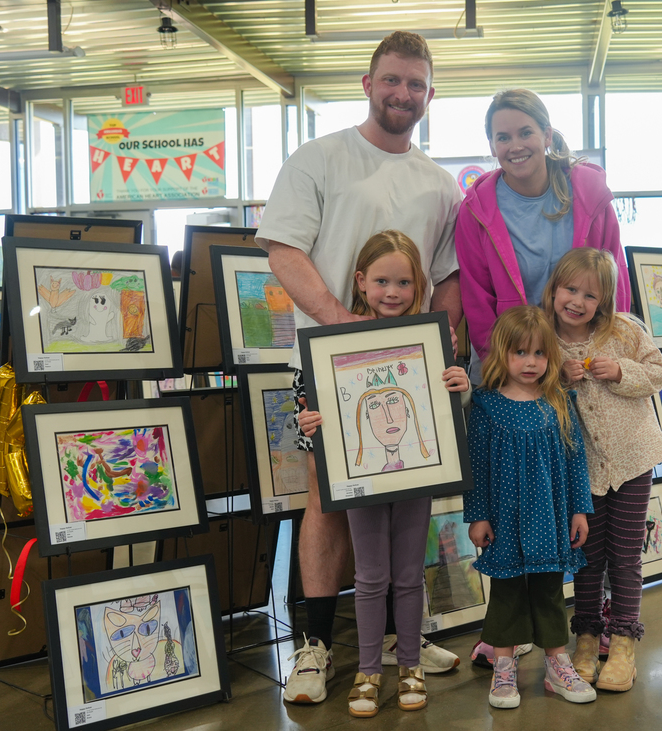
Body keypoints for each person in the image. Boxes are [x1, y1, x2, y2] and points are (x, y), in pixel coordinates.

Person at [254, 31, 463, 704]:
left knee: (410, 498)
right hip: (328, 363)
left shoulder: (438, 183)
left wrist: (443, 347)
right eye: (393, 80)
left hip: (411, 370)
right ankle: (315, 645)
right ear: (369, 83)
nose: (403, 93)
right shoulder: (319, 158)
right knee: (327, 500)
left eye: (416, 84)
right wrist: (341, 326)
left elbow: (449, 276)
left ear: (430, 95)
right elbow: (285, 250)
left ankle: (404, 636)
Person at [298, 231, 469, 717]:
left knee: (409, 576)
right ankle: (368, 670)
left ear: (419, 286)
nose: (392, 292)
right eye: (381, 281)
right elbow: (309, 408)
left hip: (416, 475)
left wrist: (460, 382)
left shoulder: (433, 341)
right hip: (362, 478)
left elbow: (446, 403)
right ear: (361, 282)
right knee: (371, 577)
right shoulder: (334, 343)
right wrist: (308, 422)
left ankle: (410, 666)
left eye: (403, 282)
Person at [541, 248, 662, 692]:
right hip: (582, 470)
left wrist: (622, 371)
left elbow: (658, 372)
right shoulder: (543, 338)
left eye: (589, 295)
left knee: (625, 555)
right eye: (570, 289)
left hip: (633, 459)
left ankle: (623, 643)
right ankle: (588, 636)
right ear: (554, 288)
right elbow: (528, 386)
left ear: (605, 301)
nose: (577, 301)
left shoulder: (624, 331)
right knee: (588, 557)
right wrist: (557, 378)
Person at [464, 305, 596, 708]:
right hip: (503, 519)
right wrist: (478, 515)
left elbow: (576, 460)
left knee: (549, 589)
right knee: (505, 591)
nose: (530, 362)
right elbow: (477, 465)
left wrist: (579, 510)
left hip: (550, 516)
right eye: (520, 353)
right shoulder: (485, 406)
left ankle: (557, 663)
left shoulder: (558, 400)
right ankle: (504, 667)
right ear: (501, 354)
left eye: (539, 354)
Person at [455, 88, 631, 388]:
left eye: (526, 133)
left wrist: (614, 353)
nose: (515, 146)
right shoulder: (475, 211)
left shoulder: (591, 196)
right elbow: (478, 304)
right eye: (503, 137)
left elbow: (616, 287)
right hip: (511, 371)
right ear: (492, 145)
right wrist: (510, 371)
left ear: (547, 135)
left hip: (584, 367)